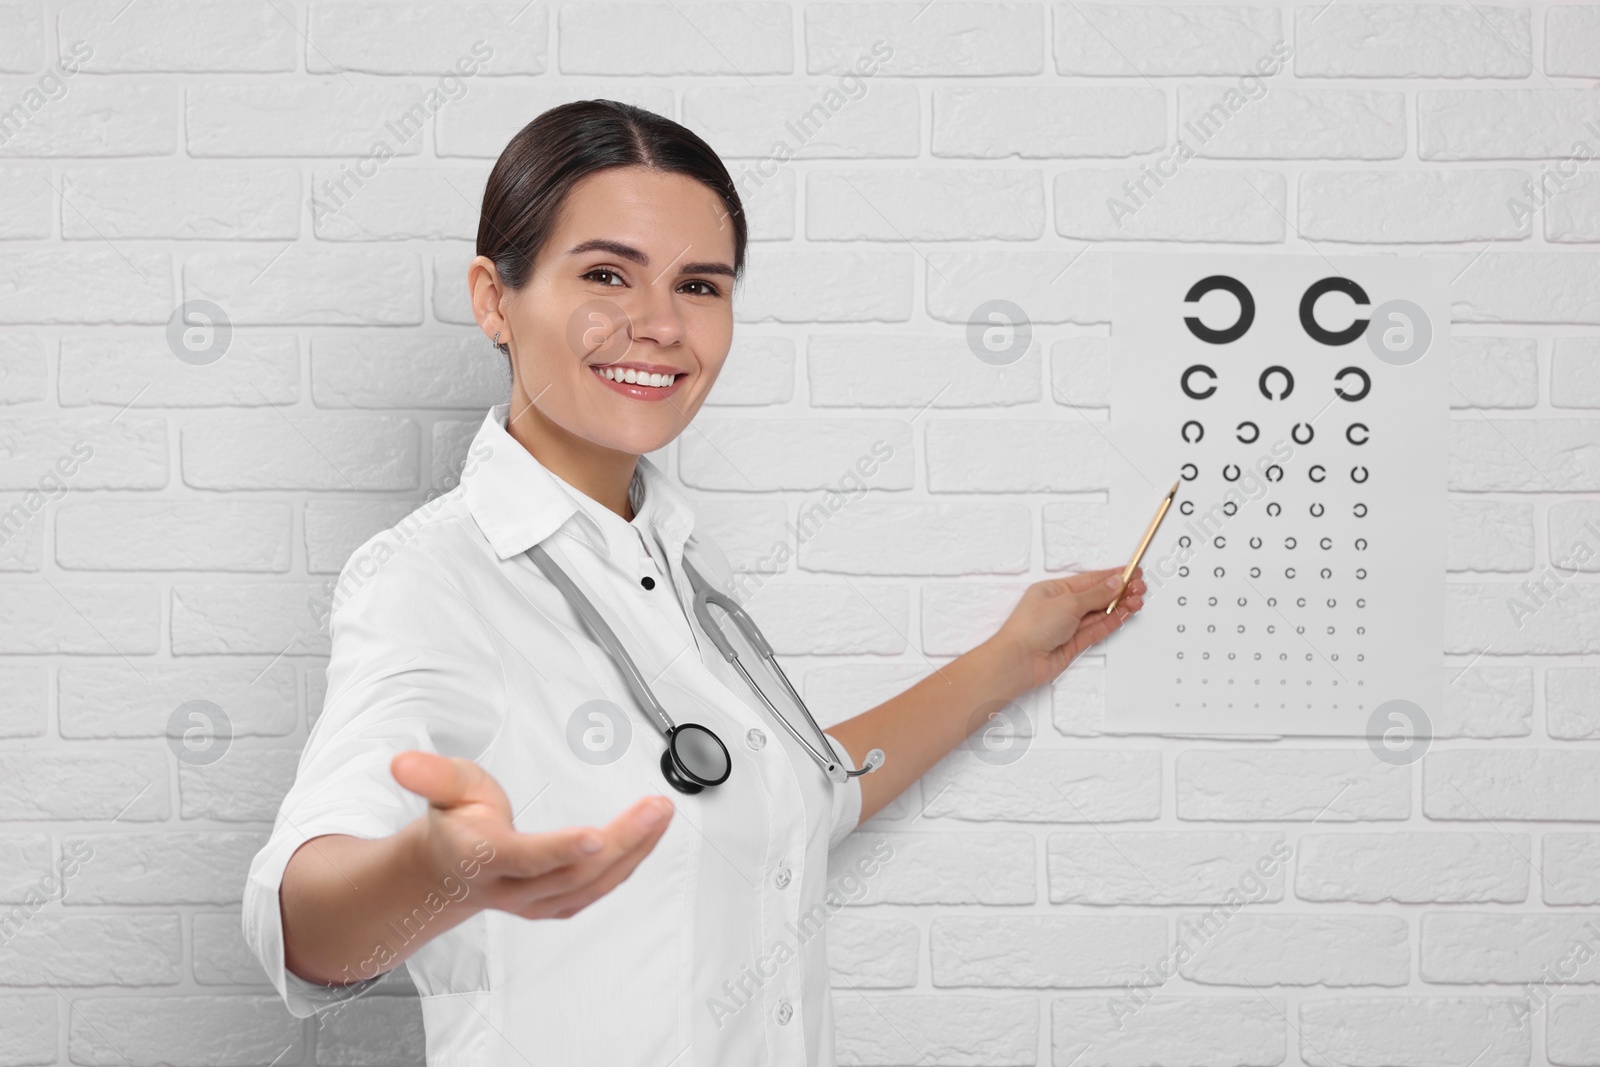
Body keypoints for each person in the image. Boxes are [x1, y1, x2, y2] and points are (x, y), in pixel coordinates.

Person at [242, 98, 1146, 1065]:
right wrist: (434, 872)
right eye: (605, 275)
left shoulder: (674, 559)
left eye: (700, 285)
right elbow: (302, 925)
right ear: (494, 298)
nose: (662, 325)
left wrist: (1005, 661)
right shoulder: (435, 578)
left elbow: (792, 790)